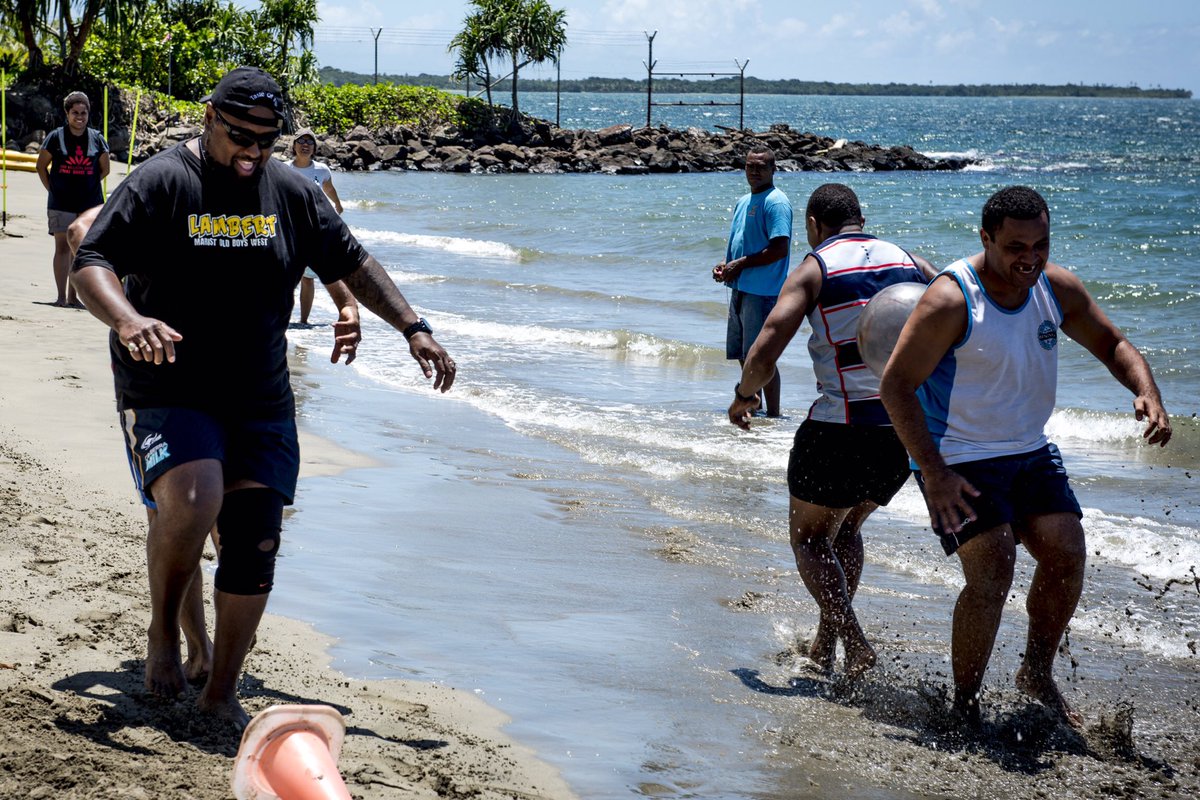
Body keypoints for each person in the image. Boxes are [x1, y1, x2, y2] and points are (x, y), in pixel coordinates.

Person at [71, 66, 456, 729]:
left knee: (254, 546)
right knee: (193, 501)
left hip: (258, 394)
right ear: (209, 118)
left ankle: (221, 689)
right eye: (240, 137)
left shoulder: (290, 193)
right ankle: (165, 633)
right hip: (167, 384)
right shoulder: (162, 181)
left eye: (266, 142)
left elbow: (353, 262)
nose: (252, 153)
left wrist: (413, 327)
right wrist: (130, 322)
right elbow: (90, 260)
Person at [879, 185, 1172, 727]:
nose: (1030, 258)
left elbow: (1113, 344)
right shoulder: (950, 299)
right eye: (1016, 246)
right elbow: (895, 387)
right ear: (985, 238)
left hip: (1030, 449)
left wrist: (1146, 390)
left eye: (1041, 244)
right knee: (993, 569)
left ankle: (1035, 673)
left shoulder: (1053, 288)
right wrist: (935, 474)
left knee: (1066, 553)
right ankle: (963, 705)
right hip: (957, 457)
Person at [729, 183, 935, 679]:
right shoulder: (911, 261)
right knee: (848, 528)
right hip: (901, 433)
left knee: (809, 539)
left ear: (815, 225)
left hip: (839, 428)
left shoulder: (815, 266)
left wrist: (744, 395)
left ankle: (855, 641)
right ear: (861, 218)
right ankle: (825, 644)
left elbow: (766, 344)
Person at [712, 145, 792, 417]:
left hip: (763, 291)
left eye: (761, 166)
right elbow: (742, 244)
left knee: (762, 356)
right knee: (744, 355)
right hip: (740, 287)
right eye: (750, 166)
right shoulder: (744, 200)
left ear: (773, 170)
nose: (755, 171)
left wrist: (742, 263)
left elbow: (779, 248)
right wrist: (726, 266)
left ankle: (774, 415)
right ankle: (751, 405)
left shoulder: (776, 201)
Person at [36, 90, 110, 307]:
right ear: (67, 114)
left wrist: (86, 186)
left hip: (89, 203)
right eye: (75, 113)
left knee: (82, 248)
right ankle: (61, 297)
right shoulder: (55, 137)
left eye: (83, 113)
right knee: (62, 247)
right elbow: (41, 167)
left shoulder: (97, 139)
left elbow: (104, 169)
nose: (80, 117)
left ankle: (73, 297)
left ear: (88, 114)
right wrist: (53, 189)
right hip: (61, 202)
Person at [286, 128, 345, 325]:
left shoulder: (321, 170)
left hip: (313, 231)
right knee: (285, 278)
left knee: (308, 278)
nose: (305, 145)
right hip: (289, 231)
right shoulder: (284, 169)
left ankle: (303, 320)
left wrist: (337, 204)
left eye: (309, 142)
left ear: (314, 148)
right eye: (301, 141)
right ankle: (280, 318)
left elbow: (328, 188)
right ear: (293, 146)